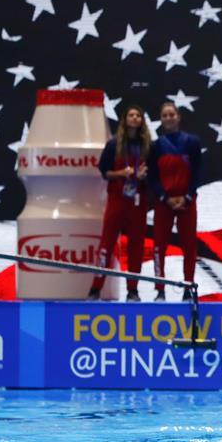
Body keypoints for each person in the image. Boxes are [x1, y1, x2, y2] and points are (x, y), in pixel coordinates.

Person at [88, 105, 151, 302]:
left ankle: (133, 290)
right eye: (131, 115)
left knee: (136, 248)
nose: (135, 118)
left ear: (142, 121)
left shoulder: (148, 146)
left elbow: (154, 175)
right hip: (117, 200)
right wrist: (121, 174)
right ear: (124, 120)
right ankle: (95, 289)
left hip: (138, 203)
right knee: (106, 245)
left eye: (138, 115)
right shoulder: (113, 144)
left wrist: (142, 176)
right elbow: (104, 172)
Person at [148, 102, 202, 302]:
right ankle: (160, 289)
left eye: (172, 114)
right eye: (164, 115)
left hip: (187, 203)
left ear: (178, 117)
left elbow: (197, 173)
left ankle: (188, 287)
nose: (169, 118)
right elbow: (152, 177)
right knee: (159, 247)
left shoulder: (192, 142)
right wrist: (165, 198)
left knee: (189, 246)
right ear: (161, 120)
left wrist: (187, 196)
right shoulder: (155, 146)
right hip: (164, 204)